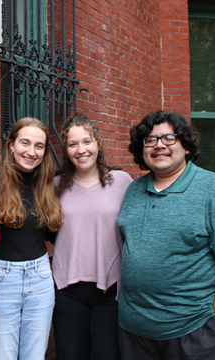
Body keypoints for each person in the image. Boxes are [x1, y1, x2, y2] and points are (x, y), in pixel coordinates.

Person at [116, 111, 215, 360]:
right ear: (142, 150)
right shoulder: (134, 190)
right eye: (150, 140)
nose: (159, 145)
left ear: (186, 147)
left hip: (194, 331)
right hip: (134, 331)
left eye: (169, 138)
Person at [52, 113, 132, 360]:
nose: (81, 150)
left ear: (97, 143)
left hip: (109, 291)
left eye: (86, 141)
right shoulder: (55, 186)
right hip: (67, 289)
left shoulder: (121, 182)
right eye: (73, 144)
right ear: (66, 150)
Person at [0, 117, 63, 360]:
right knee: (4, 354)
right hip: (2, 279)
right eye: (25, 143)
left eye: (39, 146)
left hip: (40, 278)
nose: (31, 152)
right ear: (11, 145)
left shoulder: (49, 187)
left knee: (34, 356)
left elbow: (55, 234)